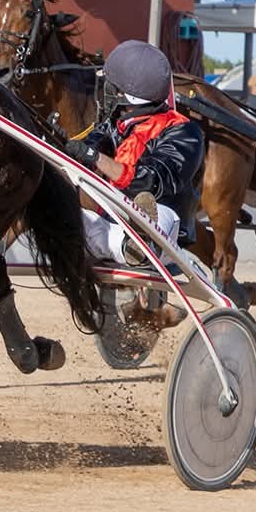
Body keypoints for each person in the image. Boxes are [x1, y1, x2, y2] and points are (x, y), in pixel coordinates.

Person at [61, 40, 205, 328]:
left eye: (108, 86)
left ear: (119, 93)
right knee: (65, 216)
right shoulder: (113, 128)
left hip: (165, 228)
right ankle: (128, 246)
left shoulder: (185, 132)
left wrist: (95, 158)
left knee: (149, 210)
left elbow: (152, 181)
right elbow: (87, 148)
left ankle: (137, 244)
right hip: (111, 223)